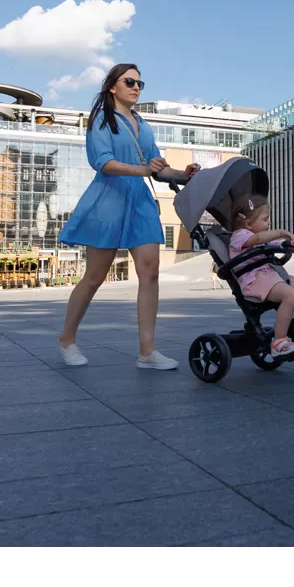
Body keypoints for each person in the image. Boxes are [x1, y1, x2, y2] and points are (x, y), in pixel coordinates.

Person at [56, 63, 200, 369]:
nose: (136, 87)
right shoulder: (102, 119)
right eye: (129, 82)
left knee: (150, 272)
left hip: (140, 203)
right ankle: (67, 340)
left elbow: (157, 167)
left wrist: (183, 174)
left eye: (139, 84)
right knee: (94, 277)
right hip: (109, 198)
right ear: (112, 86)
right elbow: (103, 163)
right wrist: (144, 169)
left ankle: (147, 351)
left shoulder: (143, 125)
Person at [228, 195, 294, 357]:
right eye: (266, 219)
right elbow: (257, 239)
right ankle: (279, 342)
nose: (269, 223)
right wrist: (281, 232)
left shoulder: (264, 239)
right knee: (290, 295)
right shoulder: (240, 235)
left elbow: (283, 245)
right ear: (248, 224)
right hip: (255, 282)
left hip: (274, 276)